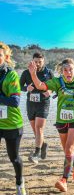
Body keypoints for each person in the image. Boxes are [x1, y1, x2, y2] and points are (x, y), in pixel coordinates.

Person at [28, 58, 74, 192]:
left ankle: (64, 180)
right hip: (62, 120)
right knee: (68, 152)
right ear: (62, 71)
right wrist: (33, 74)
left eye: (71, 70)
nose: (68, 72)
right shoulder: (57, 81)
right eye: (65, 70)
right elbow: (40, 86)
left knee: (69, 149)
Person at [0, 42, 26, 195]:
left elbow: (15, 102)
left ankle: (19, 183)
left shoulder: (12, 75)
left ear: (6, 57)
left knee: (14, 158)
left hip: (12, 124)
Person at [20, 52, 53, 164]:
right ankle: (43, 145)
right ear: (32, 61)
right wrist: (26, 88)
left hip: (43, 103)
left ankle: (36, 154)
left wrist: (50, 91)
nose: (38, 64)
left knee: (39, 129)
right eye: (36, 62)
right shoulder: (26, 72)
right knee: (36, 131)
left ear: (43, 61)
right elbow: (19, 86)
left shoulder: (48, 72)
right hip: (31, 104)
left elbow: (54, 86)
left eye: (40, 62)